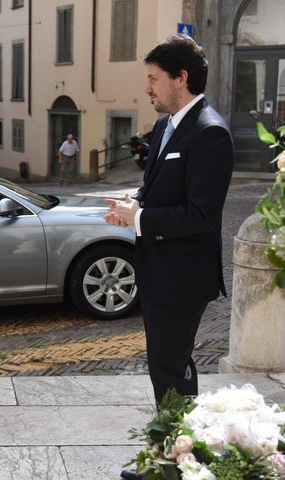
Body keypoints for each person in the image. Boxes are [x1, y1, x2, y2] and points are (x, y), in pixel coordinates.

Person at [104, 36, 233, 478]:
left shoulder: (210, 131)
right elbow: (158, 190)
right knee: (171, 365)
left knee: (169, 367)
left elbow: (201, 214)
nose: (147, 88)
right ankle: (182, 452)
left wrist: (141, 218)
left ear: (182, 78)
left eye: (154, 79)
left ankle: (171, 460)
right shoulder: (164, 126)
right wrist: (133, 204)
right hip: (159, 269)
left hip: (184, 276)